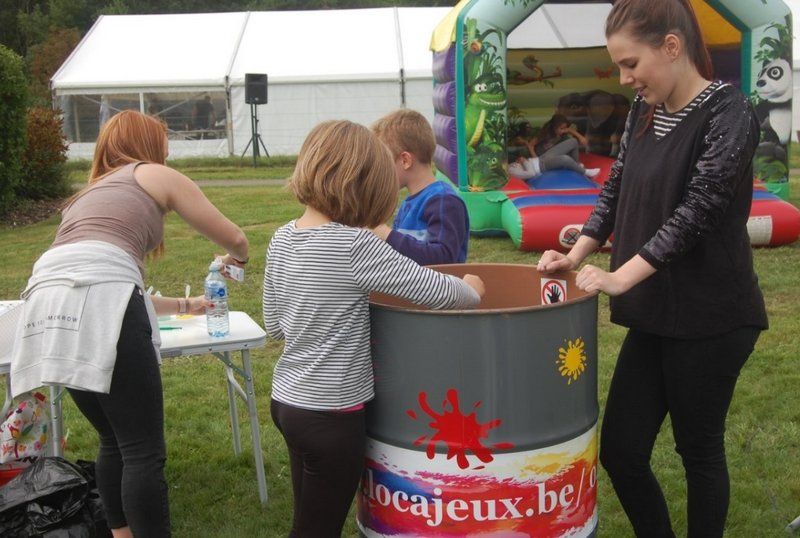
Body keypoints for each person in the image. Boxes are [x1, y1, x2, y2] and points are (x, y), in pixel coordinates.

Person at [537, 1, 768, 536]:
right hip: (658, 312)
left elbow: (698, 211)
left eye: (630, 63)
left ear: (671, 46)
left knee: (698, 449)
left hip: (713, 315)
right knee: (622, 451)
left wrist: (620, 277)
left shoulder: (730, 112)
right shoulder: (645, 111)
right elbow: (615, 190)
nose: (624, 79)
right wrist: (576, 255)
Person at [10, 110, 249, 538]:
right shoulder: (153, 174)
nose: (167, 150)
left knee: (113, 439)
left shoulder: (86, 197)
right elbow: (235, 238)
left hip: (47, 307)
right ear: (148, 146)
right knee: (142, 450)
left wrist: (187, 304)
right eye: (163, 142)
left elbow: (100, 284)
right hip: (101, 298)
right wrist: (238, 260)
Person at [263, 120, 484, 537]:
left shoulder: (281, 238)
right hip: (333, 417)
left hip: (288, 404)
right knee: (318, 530)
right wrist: (471, 288)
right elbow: (437, 290)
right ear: (365, 183)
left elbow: (274, 325)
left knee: (307, 519)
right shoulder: (355, 244)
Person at [370, 109, 470, 264]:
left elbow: (443, 258)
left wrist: (386, 234)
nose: (379, 172)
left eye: (383, 163)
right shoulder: (408, 204)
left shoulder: (444, 201)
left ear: (405, 161)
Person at [521, 114, 600, 178]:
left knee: (573, 141)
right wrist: (536, 159)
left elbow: (570, 131)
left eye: (565, 128)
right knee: (564, 158)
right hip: (541, 161)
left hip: (550, 156)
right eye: (561, 128)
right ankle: (585, 172)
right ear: (554, 127)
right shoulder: (545, 134)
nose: (563, 131)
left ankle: (577, 166)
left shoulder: (562, 134)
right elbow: (530, 145)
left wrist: (579, 136)